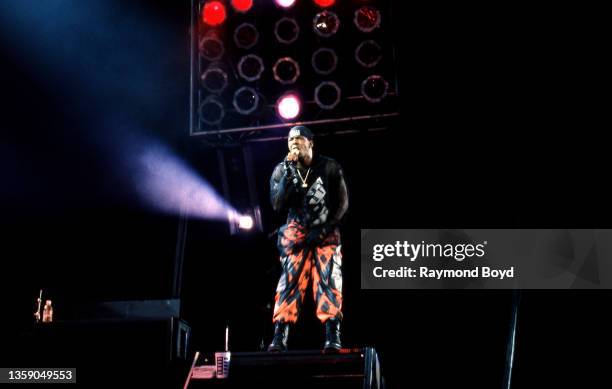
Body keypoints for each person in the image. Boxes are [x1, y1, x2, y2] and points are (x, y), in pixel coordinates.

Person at [267, 125, 349, 352]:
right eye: (290, 139)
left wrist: (325, 230)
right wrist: (287, 171)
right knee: (289, 281)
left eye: (299, 138)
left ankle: (333, 334)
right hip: (296, 230)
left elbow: (342, 203)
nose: (293, 142)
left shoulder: (329, 166)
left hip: (325, 229)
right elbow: (277, 205)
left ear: (310, 142)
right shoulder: (281, 170)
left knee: (329, 278)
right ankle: (280, 335)